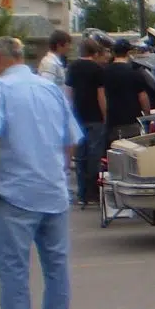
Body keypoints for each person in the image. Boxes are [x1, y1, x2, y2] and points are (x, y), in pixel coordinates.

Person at [0, 36, 81, 309]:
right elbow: (70, 138)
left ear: (1, 58)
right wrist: (61, 170)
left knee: (13, 267)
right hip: (53, 190)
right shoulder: (49, 88)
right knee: (57, 266)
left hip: (17, 191)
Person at [65, 37, 108, 206]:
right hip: (95, 117)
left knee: (80, 156)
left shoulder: (73, 68)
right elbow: (101, 95)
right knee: (95, 154)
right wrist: (105, 114)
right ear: (95, 52)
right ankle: (93, 192)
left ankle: (82, 193)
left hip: (77, 117)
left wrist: (69, 114)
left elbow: (68, 92)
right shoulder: (98, 70)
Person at [102, 38, 153, 144]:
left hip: (112, 122)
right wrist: (147, 116)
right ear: (128, 53)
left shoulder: (104, 72)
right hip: (132, 121)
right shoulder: (135, 72)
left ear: (114, 52)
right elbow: (142, 96)